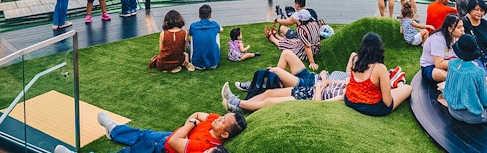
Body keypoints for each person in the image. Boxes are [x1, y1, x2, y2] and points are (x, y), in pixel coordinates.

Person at [222, 52, 355, 112]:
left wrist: (321, 85)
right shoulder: (348, 78)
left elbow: (319, 104)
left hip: (309, 90)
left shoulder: (345, 93)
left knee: (274, 73)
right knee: (269, 91)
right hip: (312, 79)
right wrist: (325, 79)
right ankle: (241, 104)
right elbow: (326, 72)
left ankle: (238, 101)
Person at [87, 110, 245, 153]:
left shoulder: (206, 147)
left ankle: (114, 131)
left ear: (225, 134)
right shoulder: (215, 119)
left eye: (223, 121)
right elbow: (197, 114)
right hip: (175, 136)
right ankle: (114, 129)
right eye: (223, 116)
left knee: (141, 145)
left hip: (168, 147)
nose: (219, 118)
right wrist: (184, 132)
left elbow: (173, 142)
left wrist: (189, 126)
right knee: (144, 134)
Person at [344, 32, 412, 116]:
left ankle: (396, 81)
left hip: (350, 100)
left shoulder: (355, 59)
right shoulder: (380, 68)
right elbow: (387, 102)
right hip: (372, 108)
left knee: (391, 91)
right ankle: (399, 82)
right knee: (408, 88)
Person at [442, 35, 487, 124]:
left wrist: (483, 81)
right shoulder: (478, 71)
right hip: (473, 116)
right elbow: (485, 100)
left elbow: (464, 84)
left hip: (453, 110)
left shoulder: (452, 63)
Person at [267, 0, 321, 70]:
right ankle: (277, 37)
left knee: (288, 45)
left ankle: (273, 38)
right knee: (293, 41)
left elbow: (307, 46)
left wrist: (312, 62)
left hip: (307, 50)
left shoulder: (301, 29)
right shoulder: (314, 23)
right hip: (316, 47)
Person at [420, 13, 464, 82]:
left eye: (462, 26)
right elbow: (439, 64)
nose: (462, 30)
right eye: (459, 27)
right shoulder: (437, 39)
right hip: (431, 66)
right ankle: (459, 80)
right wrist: (459, 63)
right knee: (439, 73)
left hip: (450, 62)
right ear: (449, 29)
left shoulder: (456, 37)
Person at [189, 4, 223, 69]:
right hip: (213, 64)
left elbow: (189, 33)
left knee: (193, 35)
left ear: (199, 15)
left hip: (196, 64)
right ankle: (212, 56)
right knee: (217, 33)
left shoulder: (193, 26)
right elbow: (221, 29)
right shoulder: (214, 25)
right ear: (210, 15)